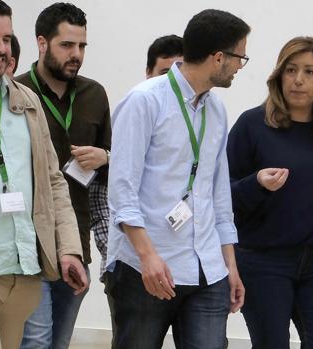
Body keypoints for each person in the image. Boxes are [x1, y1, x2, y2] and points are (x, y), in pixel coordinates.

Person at [106, 9, 249, 348]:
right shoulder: (144, 101)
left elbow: (218, 196)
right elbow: (122, 190)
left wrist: (229, 265)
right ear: (218, 58)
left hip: (206, 266)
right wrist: (148, 256)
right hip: (148, 266)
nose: (241, 66)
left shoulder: (216, 110)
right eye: (240, 57)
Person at [228, 36, 313, 349]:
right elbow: (223, 197)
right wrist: (256, 183)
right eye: (291, 70)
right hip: (264, 262)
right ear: (279, 77)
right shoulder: (251, 125)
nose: (299, 80)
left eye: (310, 72)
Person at [0, 1, 87, 348]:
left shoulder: (26, 102)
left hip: (24, 274)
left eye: (6, 39)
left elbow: (53, 181)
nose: (1, 48)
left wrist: (68, 249)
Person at [15, 3, 111, 348]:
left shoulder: (94, 95)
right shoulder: (16, 93)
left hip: (77, 242)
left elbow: (113, 176)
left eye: (82, 46)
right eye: (67, 45)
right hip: (30, 244)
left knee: (59, 342)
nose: (76, 54)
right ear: (42, 44)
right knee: (35, 341)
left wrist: (106, 157)